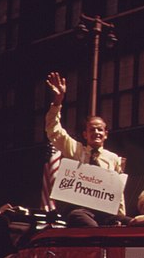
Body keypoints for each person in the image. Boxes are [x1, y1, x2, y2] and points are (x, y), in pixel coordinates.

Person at [45, 71, 128, 227]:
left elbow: (118, 192)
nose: (96, 132)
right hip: (80, 210)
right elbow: (53, 131)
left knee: (130, 223)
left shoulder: (113, 159)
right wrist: (58, 101)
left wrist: (120, 216)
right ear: (85, 134)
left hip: (105, 211)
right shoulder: (75, 150)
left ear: (105, 134)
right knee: (89, 226)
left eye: (99, 130)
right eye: (92, 130)